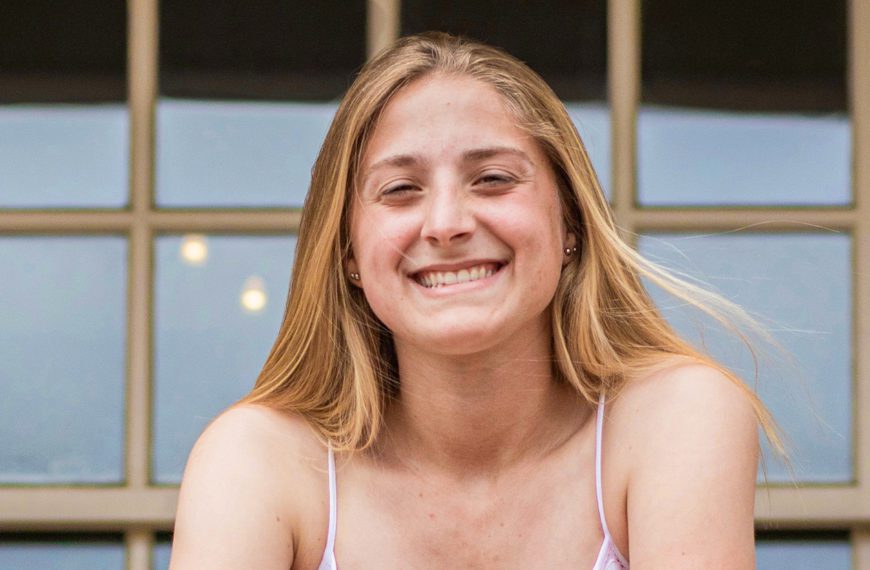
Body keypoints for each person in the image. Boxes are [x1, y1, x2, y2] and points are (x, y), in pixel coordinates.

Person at [170, 32, 776, 569]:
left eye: (493, 179)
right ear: (349, 253)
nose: (446, 224)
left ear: (570, 221)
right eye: (401, 190)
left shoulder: (672, 418)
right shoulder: (256, 462)